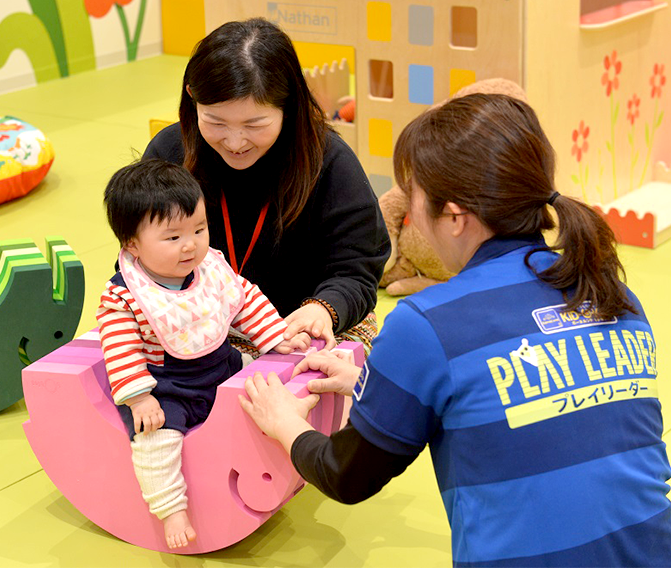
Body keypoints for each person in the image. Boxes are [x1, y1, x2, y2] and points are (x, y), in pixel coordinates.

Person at [240, 94, 671, 566]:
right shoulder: (610, 291)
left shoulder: (426, 324)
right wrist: (380, 386)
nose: (411, 215)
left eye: (413, 197)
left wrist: (284, 421)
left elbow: (346, 476)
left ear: (455, 217)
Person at [143, 18, 388, 354]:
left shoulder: (328, 161)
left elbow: (357, 269)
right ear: (192, 98)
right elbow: (139, 252)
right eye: (215, 122)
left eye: (254, 124)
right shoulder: (170, 153)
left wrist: (323, 309)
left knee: (310, 385)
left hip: (304, 323)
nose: (234, 141)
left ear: (287, 107)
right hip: (197, 322)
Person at [96, 159, 307, 549]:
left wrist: (276, 336)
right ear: (131, 244)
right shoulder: (126, 295)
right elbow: (119, 348)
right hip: (167, 389)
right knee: (155, 441)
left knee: (269, 385)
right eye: (173, 238)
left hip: (222, 367)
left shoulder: (210, 268)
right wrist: (139, 398)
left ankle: (287, 455)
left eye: (198, 229)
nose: (191, 244)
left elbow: (244, 301)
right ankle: (170, 506)